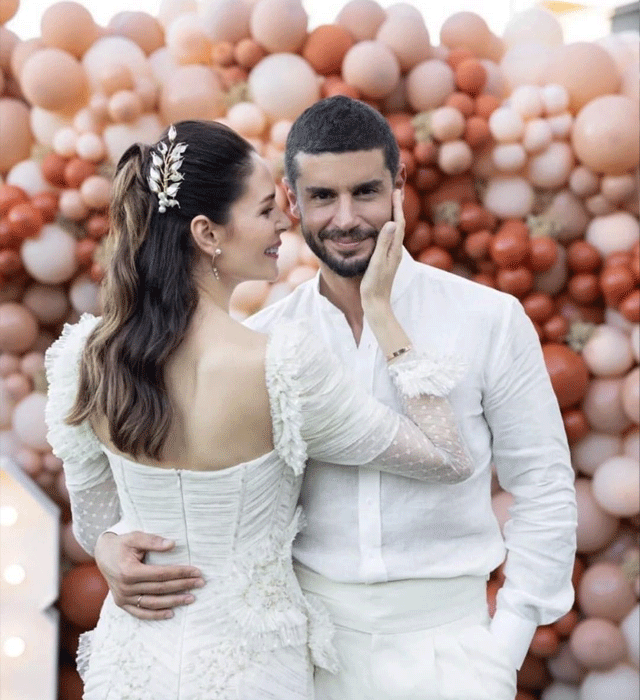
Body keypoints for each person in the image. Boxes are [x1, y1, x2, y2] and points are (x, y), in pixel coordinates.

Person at [91, 98, 578, 700]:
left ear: (399, 187)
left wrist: (505, 645)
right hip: (308, 657)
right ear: (292, 202)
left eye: (365, 192)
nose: (346, 219)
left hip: (452, 650)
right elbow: (200, 485)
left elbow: (544, 485)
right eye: (322, 196)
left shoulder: (489, 319)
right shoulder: (267, 342)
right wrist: (109, 544)